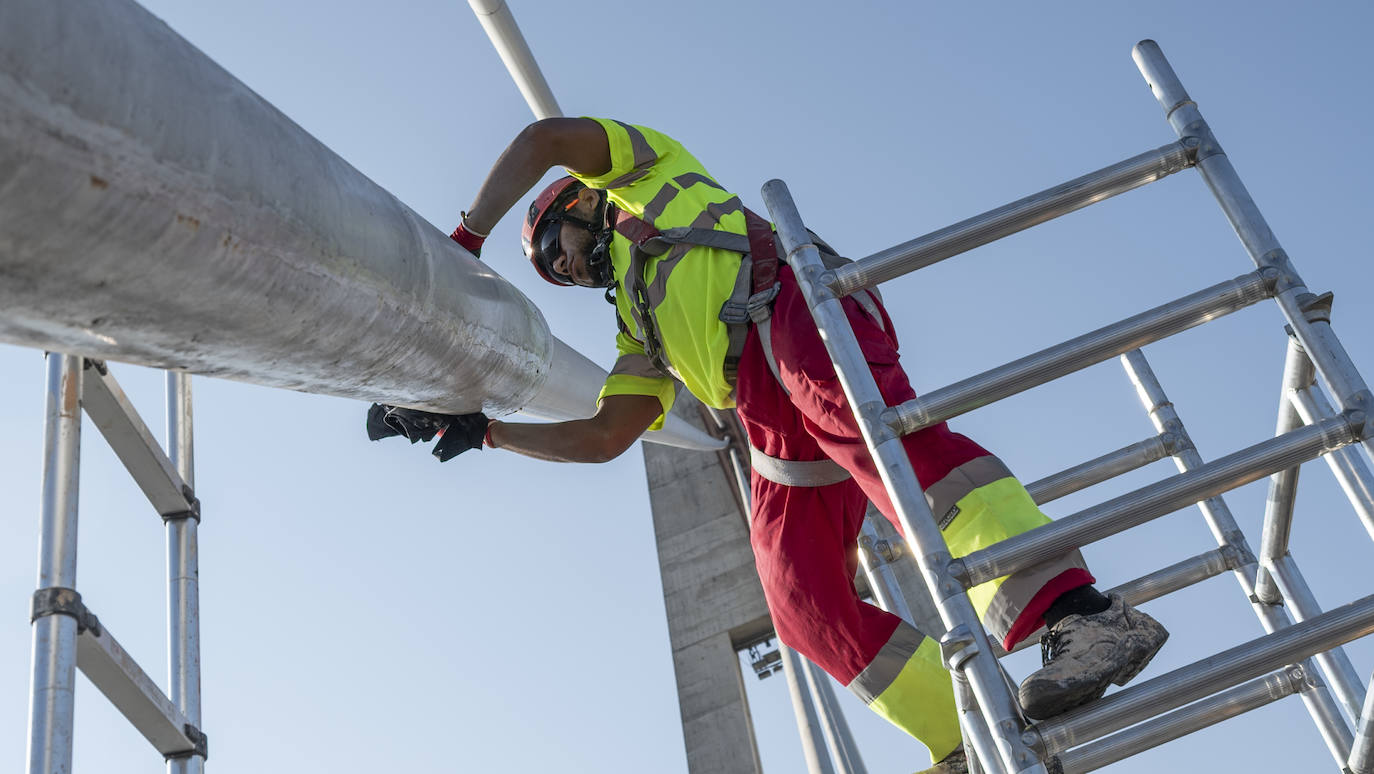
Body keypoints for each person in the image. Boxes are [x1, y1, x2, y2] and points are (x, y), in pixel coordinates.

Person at [368, 117, 1168, 773]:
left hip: (789, 298)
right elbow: (607, 436)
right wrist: (488, 432)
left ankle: (1082, 615)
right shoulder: (638, 329)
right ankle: (964, 735)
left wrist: (469, 234)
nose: (564, 270)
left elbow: (543, 137)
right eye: (554, 274)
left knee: (872, 437)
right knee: (796, 595)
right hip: (760, 401)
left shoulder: (641, 172)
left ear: (575, 202)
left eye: (554, 249)